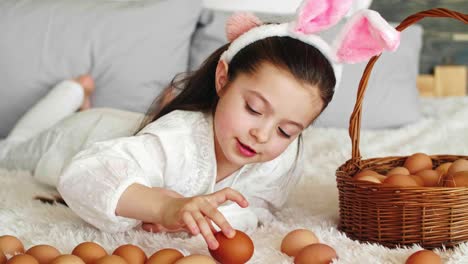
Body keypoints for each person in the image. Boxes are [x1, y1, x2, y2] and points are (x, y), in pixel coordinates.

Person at [0, 0, 400, 250]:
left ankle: (78, 95)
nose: (263, 135)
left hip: (126, 130)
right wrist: (164, 205)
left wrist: (213, 218)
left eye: (286, 130)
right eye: (254, 108)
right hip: (80, 137)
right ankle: (72, 92)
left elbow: (261, 203)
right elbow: (82, 175)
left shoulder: (280, 154)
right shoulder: (178, 137)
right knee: (15, 148)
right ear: (223, 78)